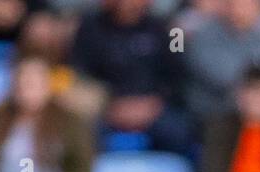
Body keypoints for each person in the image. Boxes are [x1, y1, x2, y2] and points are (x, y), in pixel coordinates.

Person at [70, 0, 192, 154]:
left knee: (180, 131)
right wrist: (110, 106)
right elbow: (80, 74)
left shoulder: (169, 29)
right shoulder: (88, 27)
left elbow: (177, 74)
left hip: (153, 107)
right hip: (106, 108)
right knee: (81, 132)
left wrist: (153, 104)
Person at [182, 0, 260, 121]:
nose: (242, 8)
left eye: (250, 3)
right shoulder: (203, 37)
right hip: (215, 117)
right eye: (237, 2)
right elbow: (224, 78)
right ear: (225, 5)